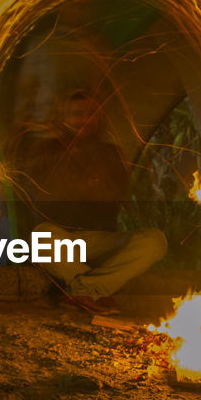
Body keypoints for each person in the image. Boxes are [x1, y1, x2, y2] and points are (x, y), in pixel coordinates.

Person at [10, 87, 166, 315]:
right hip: (61, 239)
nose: (85, 120)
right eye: (76, 114)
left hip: (101, 240)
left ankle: (85, 291)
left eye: (91, 113)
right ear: (63, 118)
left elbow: (117, 198)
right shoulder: (45, 150)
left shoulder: (111, 153)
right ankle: (98, 291)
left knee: (155, 241)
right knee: (41, 237)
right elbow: (27, 185)